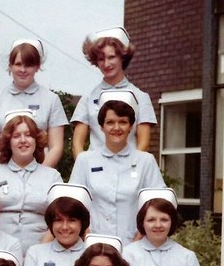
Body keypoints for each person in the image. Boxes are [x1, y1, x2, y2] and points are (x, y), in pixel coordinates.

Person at [69, 90, 165, 242]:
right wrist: (86, 234)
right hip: (94, 244)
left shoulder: (146, 161)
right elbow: (73, 204)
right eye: (110, 122)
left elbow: (159, 203)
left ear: (131, 126)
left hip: (134, 244)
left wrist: (141, 235)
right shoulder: (85, 161)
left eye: (123, 122)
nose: (116, 128)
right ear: (101, 127)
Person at [0, 112, 63, 254]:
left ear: (36, 140)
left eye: (28, 135)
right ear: (8, 141)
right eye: (16, 136)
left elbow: (61, 219)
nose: (23, 140)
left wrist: (39, 251)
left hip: (42, 251)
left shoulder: (52, 177)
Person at [0, 39, 68, 168]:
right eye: (18, 64)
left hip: (39, 170)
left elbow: (56, 147)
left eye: (28, 65)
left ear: (37, 67)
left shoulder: (51, 100)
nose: (23, 70)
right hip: (0, 169)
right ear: (10, 66)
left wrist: (42, 175)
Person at [71, 26, 156, 157]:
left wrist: (133, 169)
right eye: (100, 59)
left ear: (123, 57)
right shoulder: (88, 98)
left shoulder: (141, 97)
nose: (106, 64)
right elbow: (77, 143)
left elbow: (143, 143)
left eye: (111, 57)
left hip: (129, 168)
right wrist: (86, 169)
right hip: (95, 170)